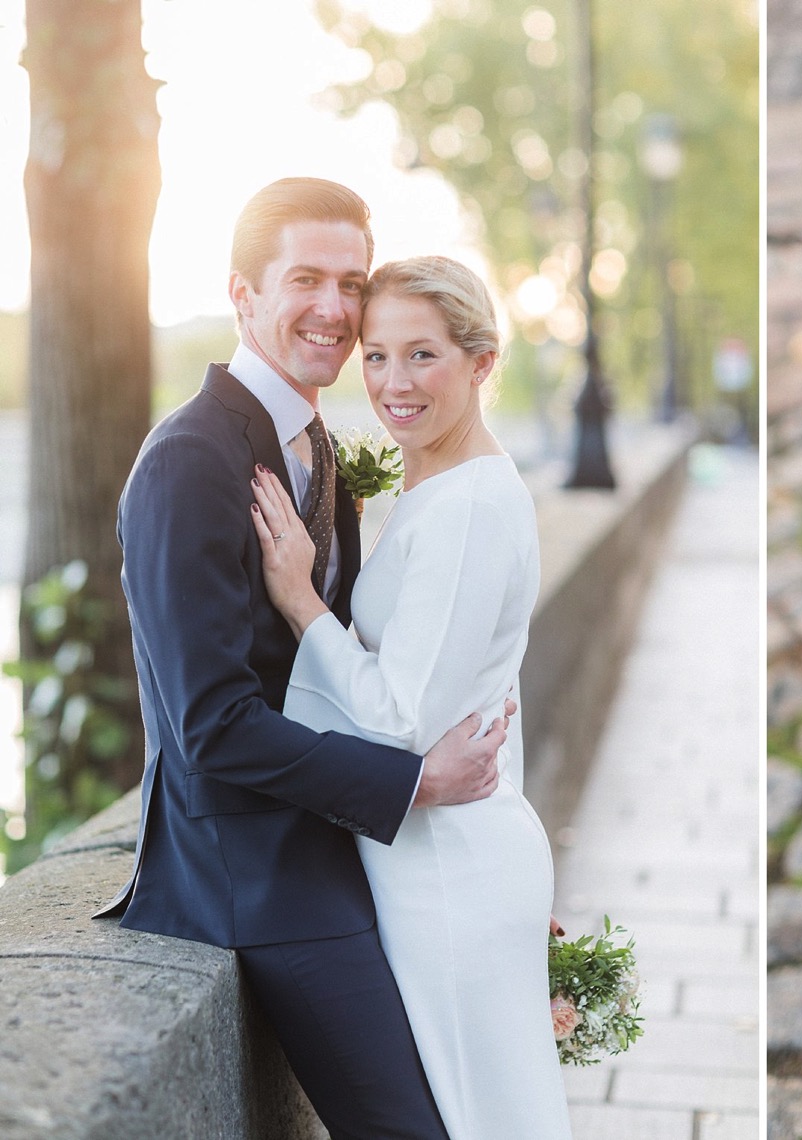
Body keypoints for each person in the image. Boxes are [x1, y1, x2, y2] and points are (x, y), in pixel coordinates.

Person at [100, 177, 510, 1139]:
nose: (334, 308)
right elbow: (209, 730)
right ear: (243, 294)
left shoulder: (314, 442)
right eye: (306, 280)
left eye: (351, 282)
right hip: (250, 868)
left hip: (332, 838)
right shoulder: (186, 461)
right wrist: (414, 783)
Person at [250, 255, 574, 1138]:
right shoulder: (436, 483)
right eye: (378, 355)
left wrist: (301, 603)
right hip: (448, 853)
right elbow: (486, 684)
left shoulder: (467, 506)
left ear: (481, 362)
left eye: (423, 355)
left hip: (447, 872)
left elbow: (400, 718)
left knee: (481, 1119)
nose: (394, 383)